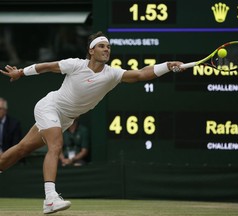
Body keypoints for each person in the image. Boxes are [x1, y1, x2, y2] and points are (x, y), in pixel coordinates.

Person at [0, 31, 184, 214]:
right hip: (49, 107)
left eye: (109, 47)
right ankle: (50, 198)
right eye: (102, 46)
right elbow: (46, 66)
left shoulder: (112, 74)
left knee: (23, 148)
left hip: (65, 119)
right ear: (91, 50)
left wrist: (167, 65)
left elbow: (141, 74)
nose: (106, 49)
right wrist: (21, 72)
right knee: (56, 145)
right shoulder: (75, 65)